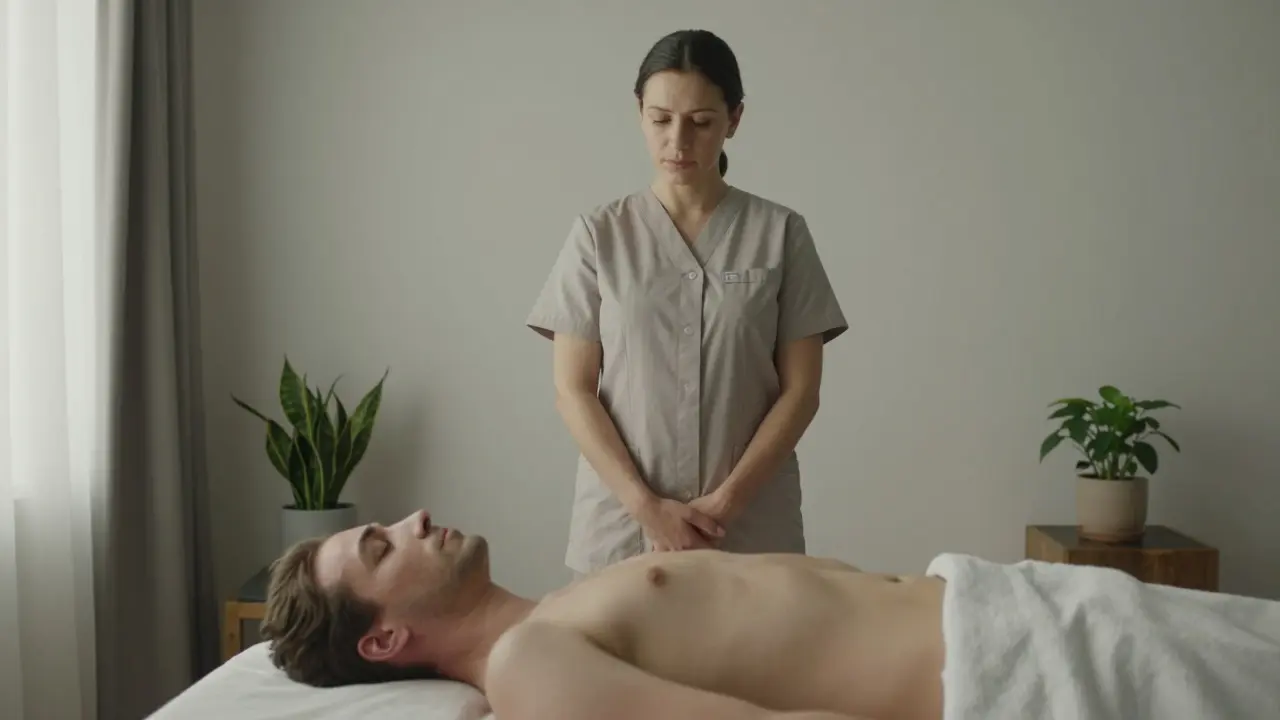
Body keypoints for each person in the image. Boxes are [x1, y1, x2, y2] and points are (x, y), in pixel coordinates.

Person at [261, 510, 1280, 720]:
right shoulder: (530, 668)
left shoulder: (561, 609)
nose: (414, 517)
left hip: (1025, 614)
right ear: (384, 639)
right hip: (1017, 677)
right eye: (381, 548)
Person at [525, 28, 848, 577]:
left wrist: (722, 509)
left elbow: (802, 391)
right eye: (660, 119)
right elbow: (572, 390)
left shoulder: (781, 235)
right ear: (639, 114)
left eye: (701, 122)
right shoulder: (598, 236)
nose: (679, 141)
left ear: (734, 120)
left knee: (754, 664)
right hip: (623, 531)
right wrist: (647, 510)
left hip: (750, 532)